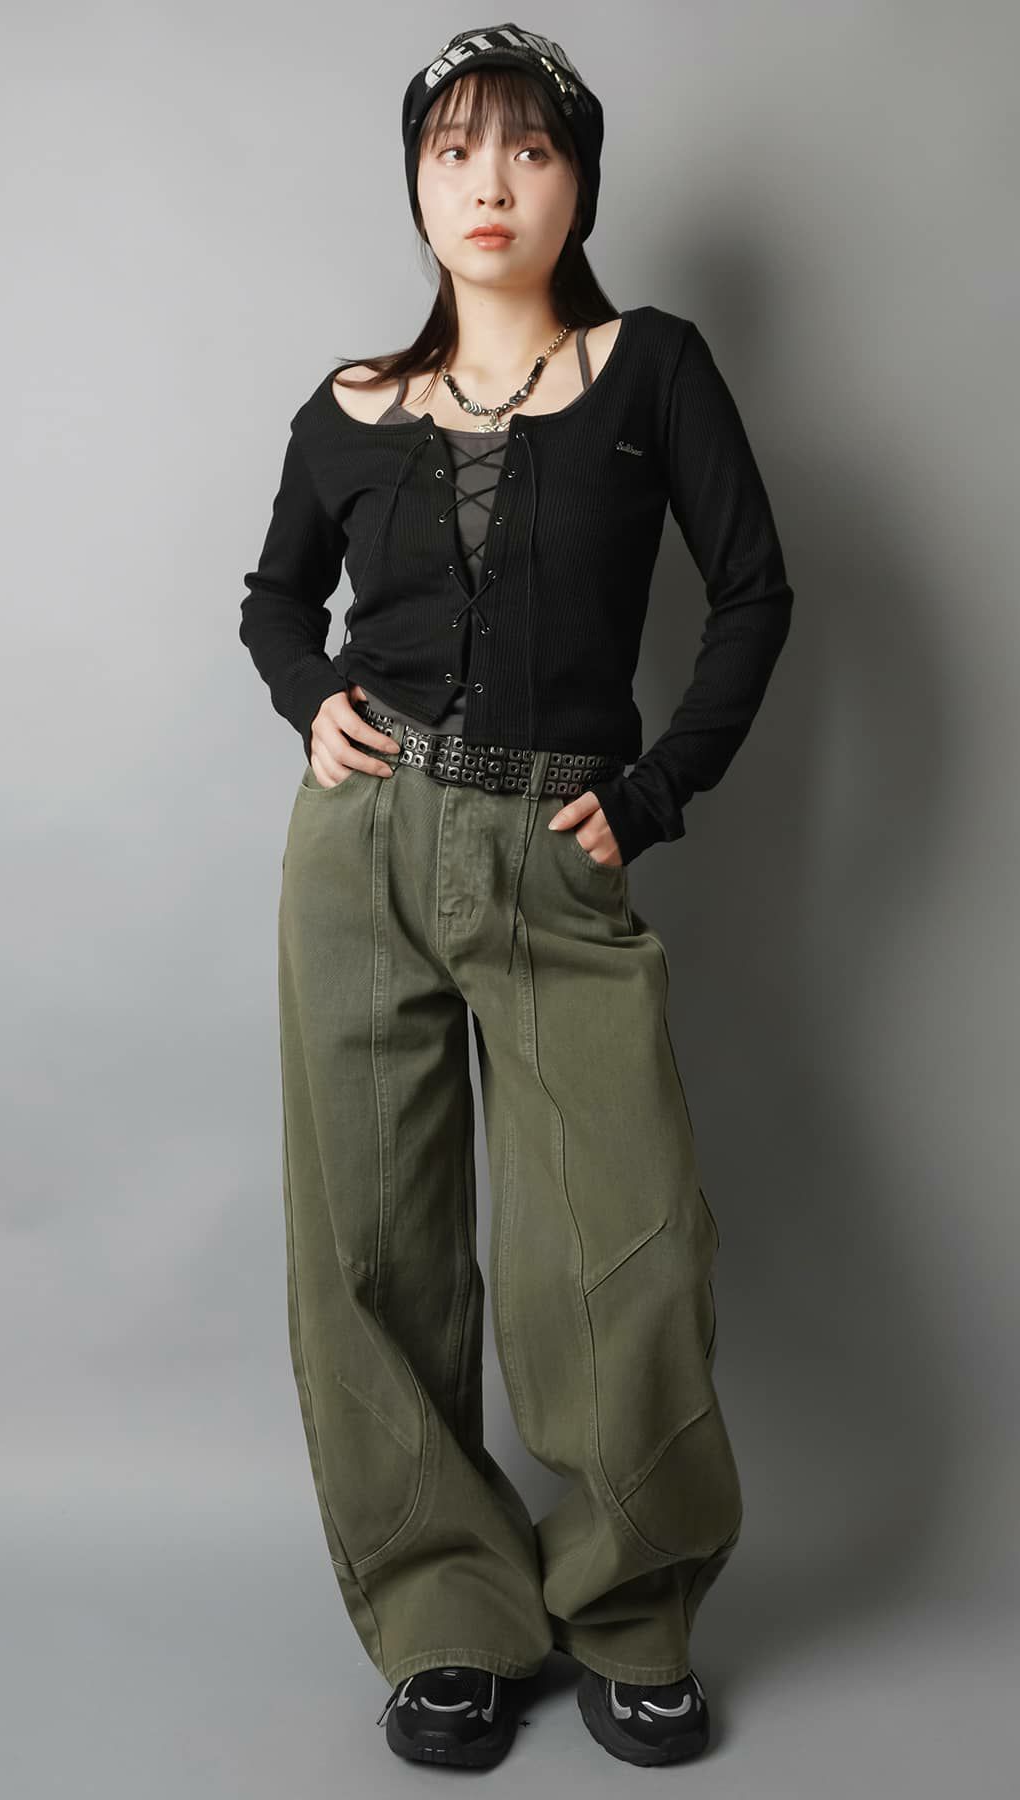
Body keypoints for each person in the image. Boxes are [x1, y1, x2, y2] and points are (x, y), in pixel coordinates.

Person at [238, 20, 794, 1770]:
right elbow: (272, 599)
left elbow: (756, 593)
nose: (491, 181)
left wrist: (654, 791)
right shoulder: (350, 406)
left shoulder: (651, 369)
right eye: (455, 149)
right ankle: (448, 1617)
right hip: (361, 855)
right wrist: (304, 695)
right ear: (417, 185)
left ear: (579, 183)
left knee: (622, 1250)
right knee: (372, 1253)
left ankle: (629, 1606)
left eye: (531, 148)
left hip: (560, 850)